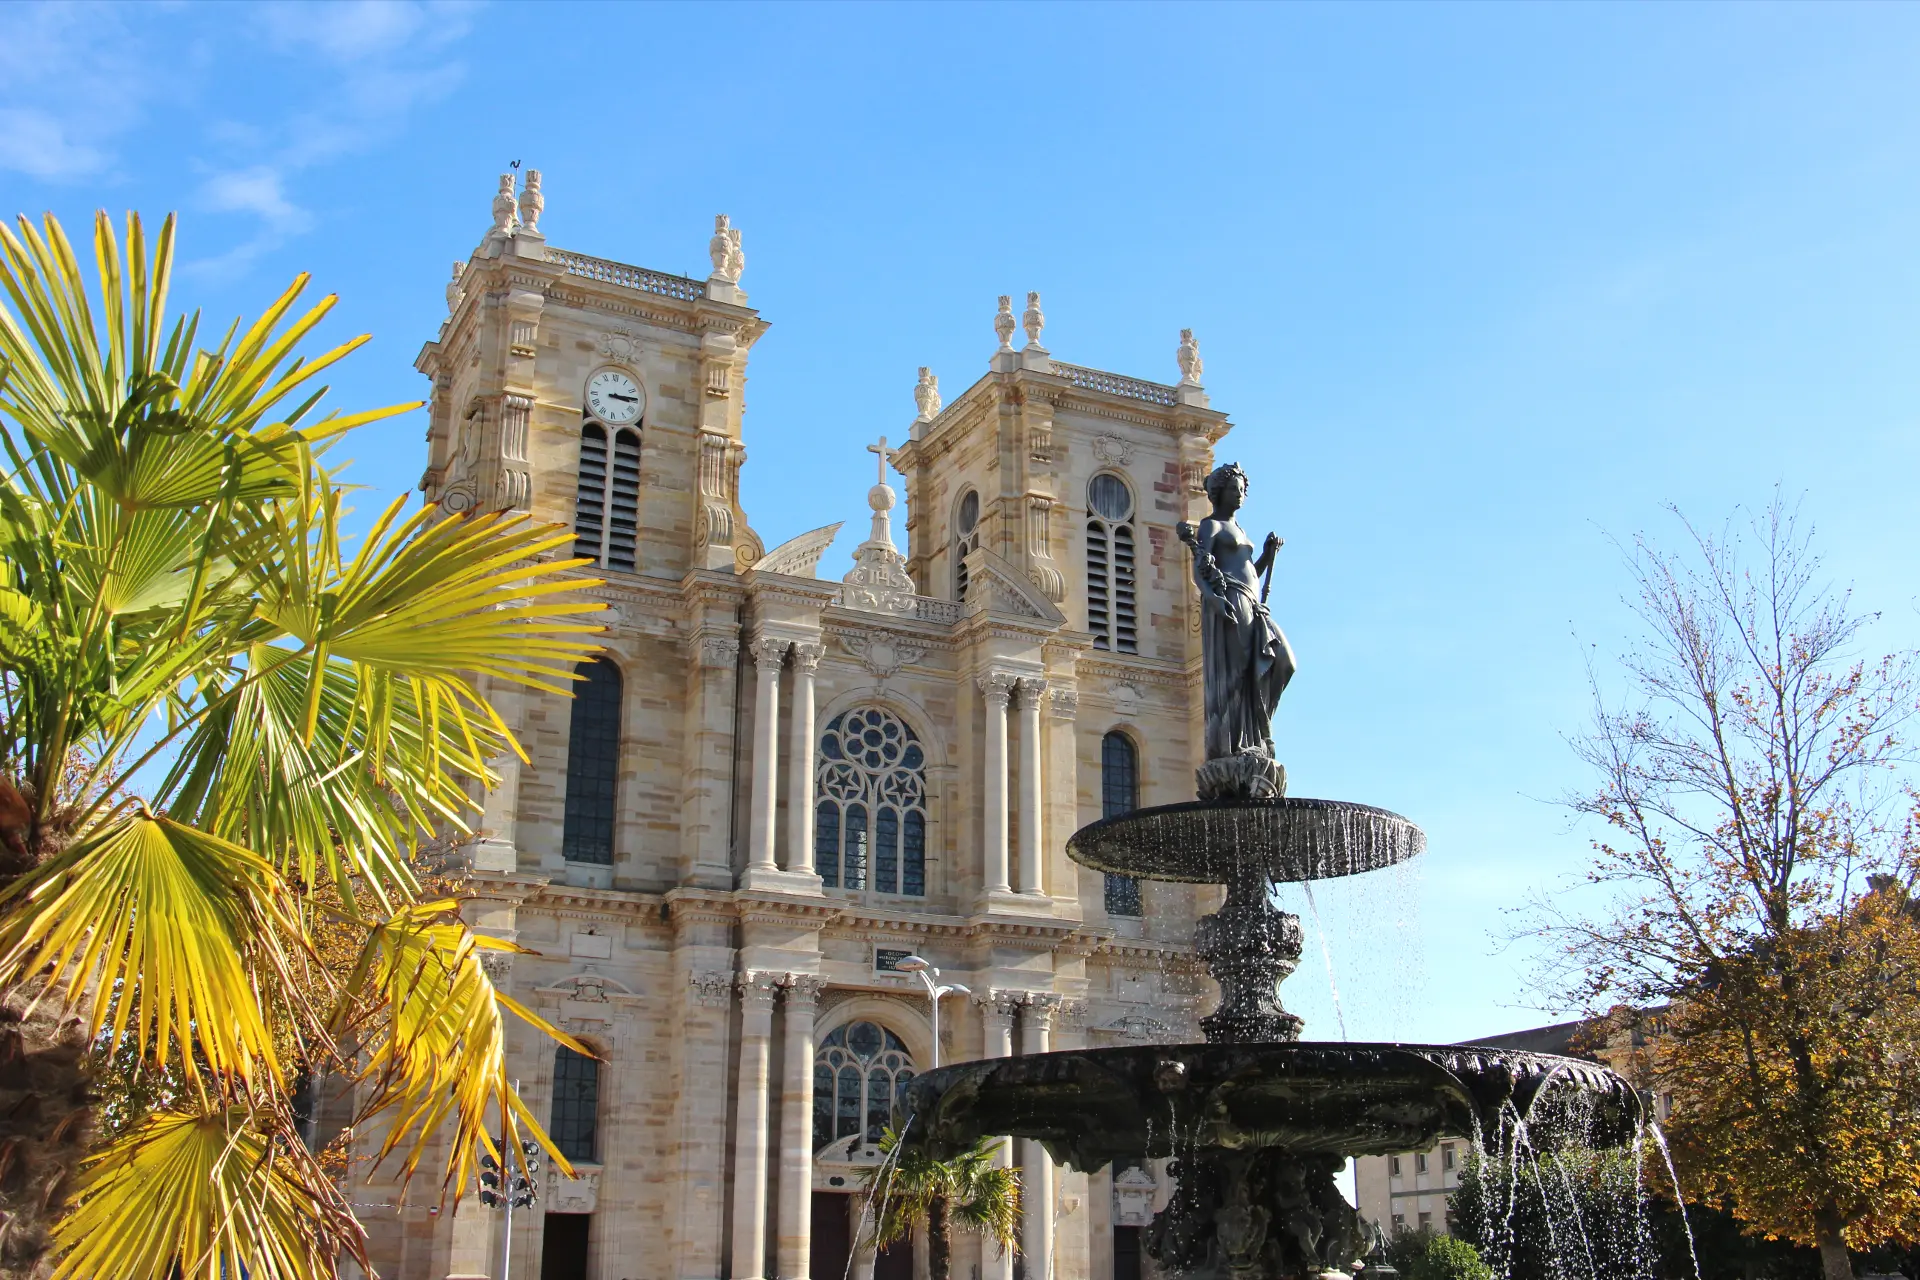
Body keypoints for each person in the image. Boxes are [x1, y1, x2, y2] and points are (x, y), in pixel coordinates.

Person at [1178, 462, 1295, 764]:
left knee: (1284, 662)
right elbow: (1200, 569)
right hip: (1231, 599)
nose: (1240, 494)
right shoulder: (1211, 526)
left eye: (1242, 489)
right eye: (1234, 489)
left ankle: (1259, 731)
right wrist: (1212, 598)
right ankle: (1235, 742)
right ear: (1219, 492)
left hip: (1253, 603)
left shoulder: (1239, 529)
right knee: (1239, 670)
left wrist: (1266, 555)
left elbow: (1249, 571)